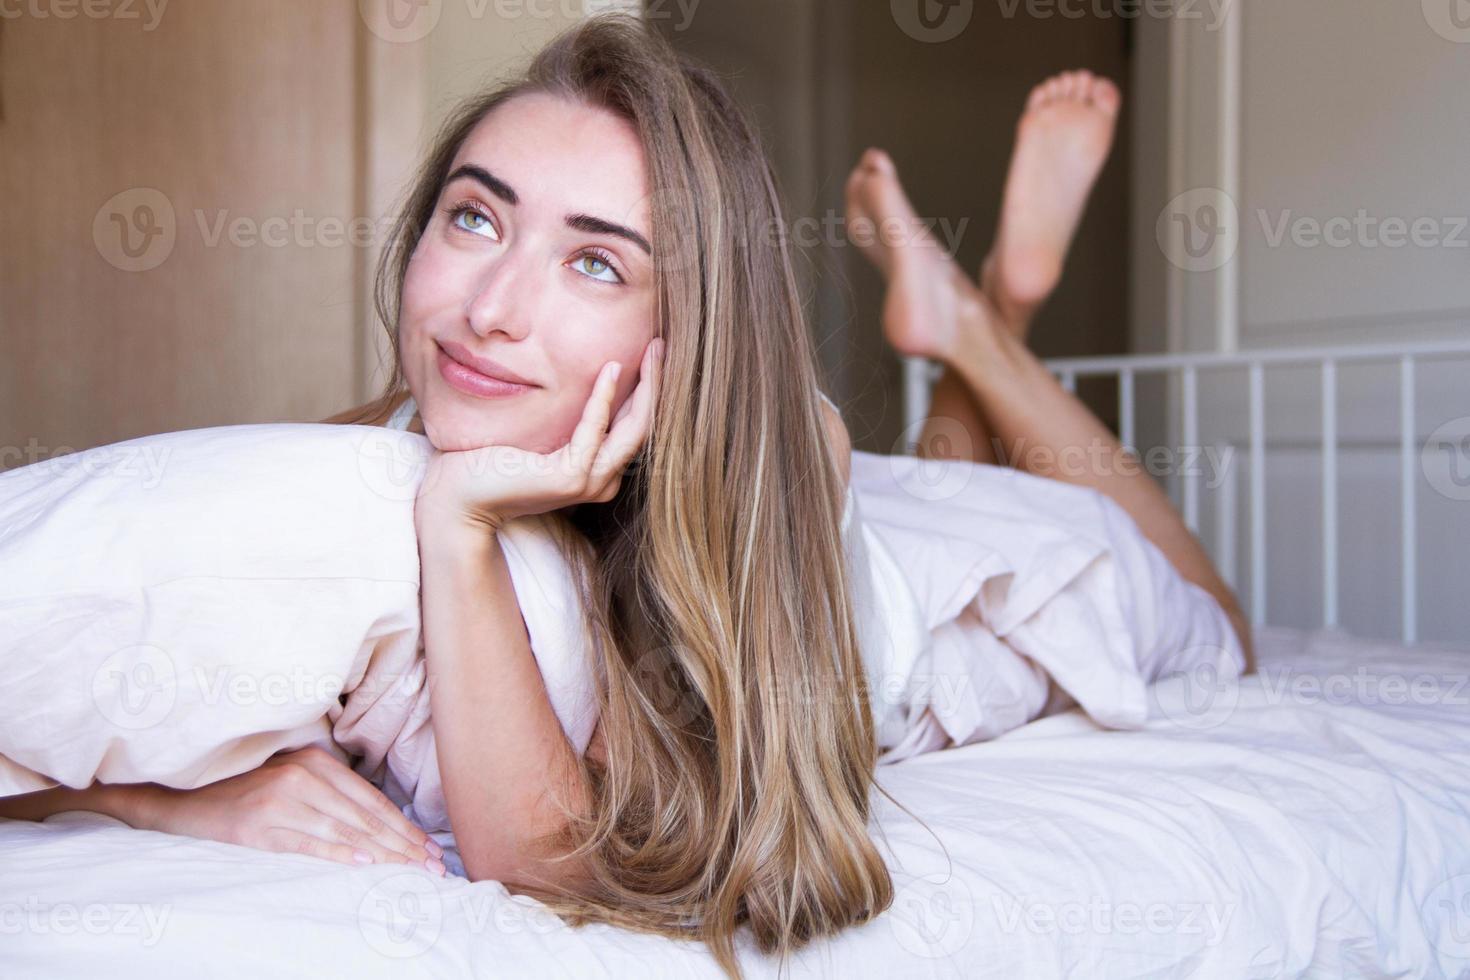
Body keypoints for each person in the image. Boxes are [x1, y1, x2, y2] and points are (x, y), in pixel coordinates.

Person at [0, 16, 1250, 977]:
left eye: (594, 258)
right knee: (951, 465)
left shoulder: (788, 458)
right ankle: (971, 322)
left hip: (892, 599)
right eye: (475, 219)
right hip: (816, 490)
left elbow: (558, 863)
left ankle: (988, 322)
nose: (490, 307)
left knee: (1211, 620)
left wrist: (462, 527)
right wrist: (172, 794)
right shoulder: (370, 444)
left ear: (691, 321)